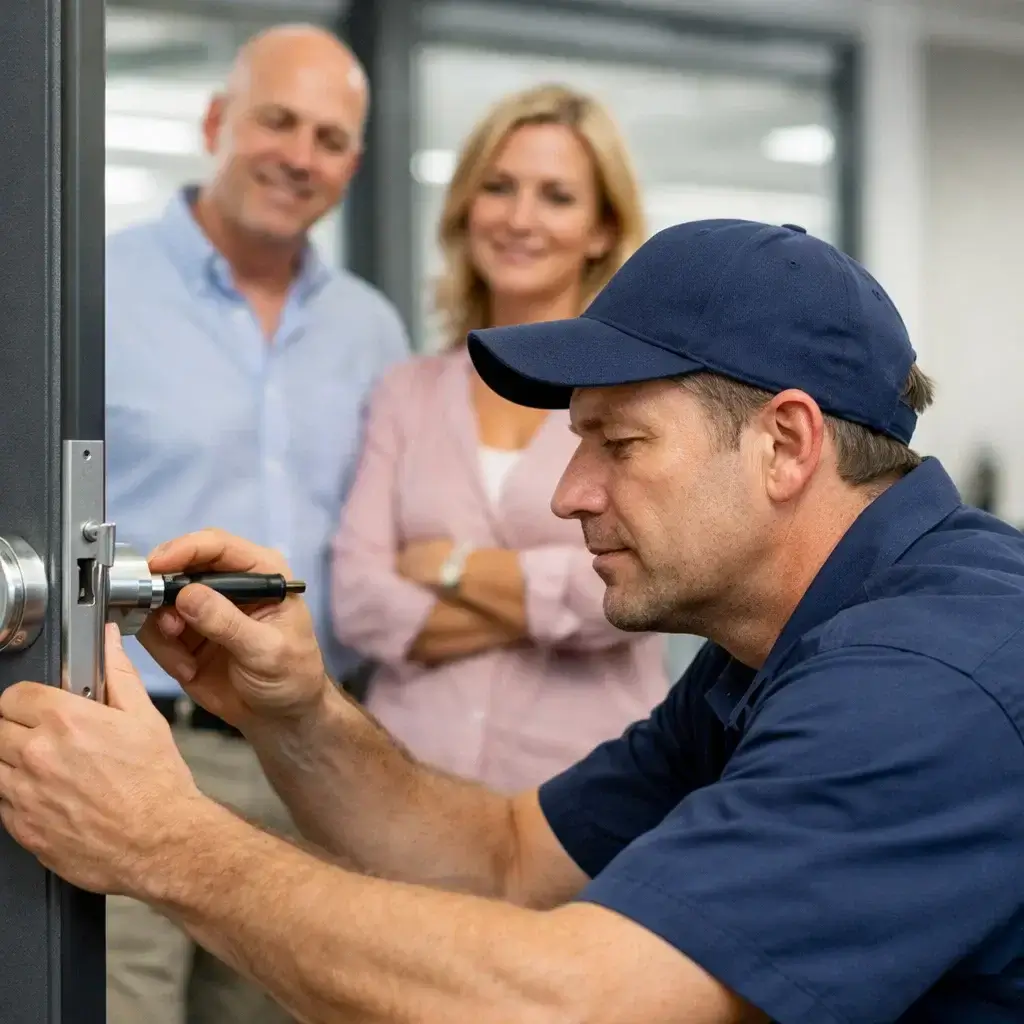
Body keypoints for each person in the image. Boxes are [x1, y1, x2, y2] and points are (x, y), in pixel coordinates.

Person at [4, 218, 1024, 1024]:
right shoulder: (755, 655)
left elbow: (569, 1001)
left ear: (785, 443)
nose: (568, 493)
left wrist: (162, 842)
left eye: (618, 443)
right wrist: (297, 714)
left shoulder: (926, 677)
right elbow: (502, 860)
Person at [103, 23, 409, 1024]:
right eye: (277, 120)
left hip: (302, 750)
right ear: (215, 121)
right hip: (138, 732)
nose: (299, 154)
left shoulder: (371, 326)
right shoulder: (96, 288)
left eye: (329, 138)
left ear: (351, 165)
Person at [331, 83, 667, 792]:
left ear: (603, 228)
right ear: (466, 206)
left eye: (556, 195)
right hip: (404, 793)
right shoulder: (407, 392)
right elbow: (359, 603)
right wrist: (552, 596)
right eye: (499, 187)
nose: (520, 218)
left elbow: (640, 591)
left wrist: (449, 568)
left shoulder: (644, 394)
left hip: (589, 802)